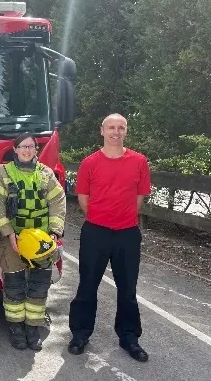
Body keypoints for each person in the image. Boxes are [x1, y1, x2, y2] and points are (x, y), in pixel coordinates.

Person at [68, 113, 151, 362]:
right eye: (111, 127)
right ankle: (80, 334)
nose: (116, 132)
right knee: (87, 285)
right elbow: (83, 198)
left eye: (121, 127)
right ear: (102, 131)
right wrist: (102, 217)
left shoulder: (139, 161)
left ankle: (129, 337)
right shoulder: (89, 163)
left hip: (127, 233)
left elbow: (139, 199)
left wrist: (121, 219)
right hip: (96, 232)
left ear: (126, 131)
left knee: (128, 289)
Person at [0, 132, 66, 351]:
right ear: (15, 149)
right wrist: (8, 232)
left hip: (41, 241)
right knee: (14, 286)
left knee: (38, 286)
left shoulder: (46, 174)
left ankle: (33, 329)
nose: (26, 150)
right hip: (13, 240)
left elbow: (57, 202)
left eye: (31, 146)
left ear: (36, 149)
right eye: (22, 146)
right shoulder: (4, 173)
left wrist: (54, 232)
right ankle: (16, 329)